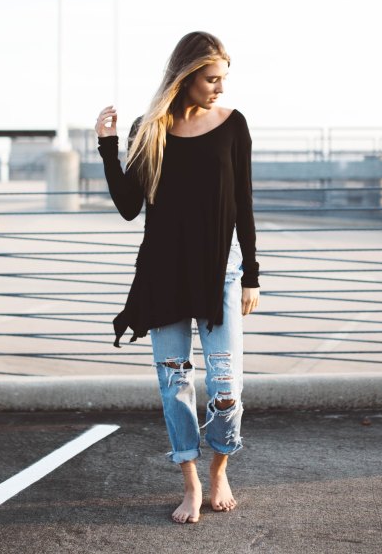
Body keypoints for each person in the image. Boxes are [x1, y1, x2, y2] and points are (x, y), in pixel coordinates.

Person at [94, 30, 260, 524]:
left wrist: (251, 272)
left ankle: (220, 470)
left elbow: (245, 205)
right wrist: (107, 148)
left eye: (223, 79)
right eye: (212, 79)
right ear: (187, 77)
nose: (220, 89)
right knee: (175, 386)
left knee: (226, 387)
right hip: (163, 274)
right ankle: (190, 483)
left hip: (221, 272)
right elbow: (129, 207)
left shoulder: (233, 126)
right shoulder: (151, 129)